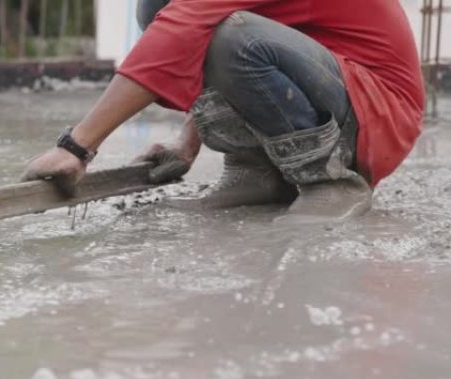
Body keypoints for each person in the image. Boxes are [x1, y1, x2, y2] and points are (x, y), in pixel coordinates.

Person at [22, 0, 424, 223]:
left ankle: (331, 181)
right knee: (160, 8)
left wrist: (77, 147)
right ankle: (258, 172)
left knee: (235, 36)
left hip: (378, 116)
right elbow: (187, 26)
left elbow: (190, 27)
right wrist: (186, 144)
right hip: (336, 89)